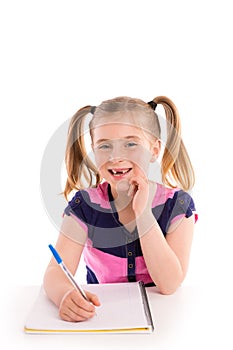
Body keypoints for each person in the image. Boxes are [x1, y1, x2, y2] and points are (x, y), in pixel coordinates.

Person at [43, 95, 198, 322]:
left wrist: (143, 214)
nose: (116, 157)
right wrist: (65, 294)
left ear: (154, 150)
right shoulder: (84, 206)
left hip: (163, 323)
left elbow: (169, 284)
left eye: (131, 144)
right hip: (103, 319)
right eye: (104, 145)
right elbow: (54, 273)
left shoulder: (177, 206)